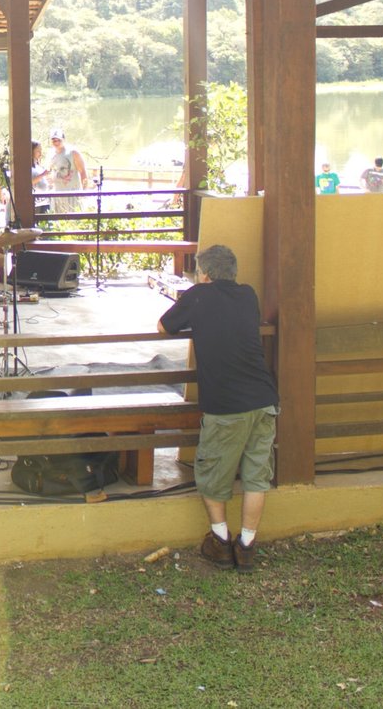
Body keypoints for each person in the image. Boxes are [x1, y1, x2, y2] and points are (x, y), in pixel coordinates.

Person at [157, 244, 278, 572]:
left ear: (205, 274)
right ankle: (247, 546)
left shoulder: (198, 295)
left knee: (212, 475)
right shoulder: (248, 295)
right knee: (256, 476)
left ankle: (220, 542)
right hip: (264, 400)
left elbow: (164, 326)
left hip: (226, 405)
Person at [45, 129, 88, 215]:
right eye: (53, 140)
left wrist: (84, 192)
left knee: (74, 219)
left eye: (58, 140)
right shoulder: (50, 154)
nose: (56, 142)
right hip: (56, 194)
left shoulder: (73, 153)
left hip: (73, 194)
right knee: (57, 220)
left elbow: (83, 172)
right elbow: (47, 172)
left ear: (63, 139)